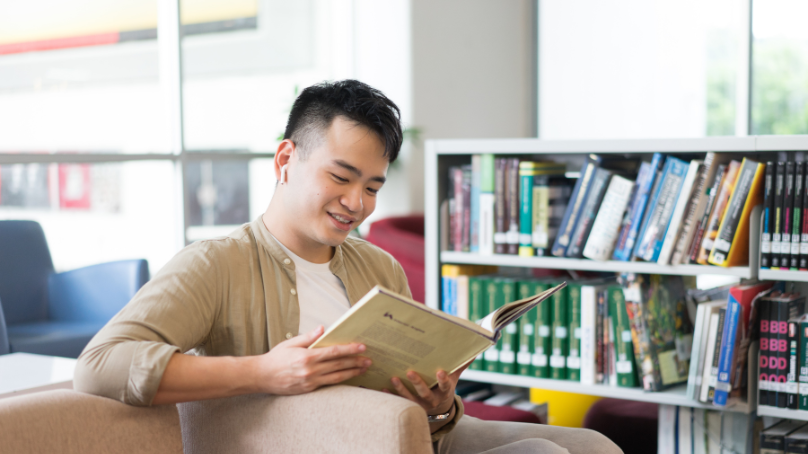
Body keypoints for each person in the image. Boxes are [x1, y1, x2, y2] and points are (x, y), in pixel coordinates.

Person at [75, 79, 621, 454]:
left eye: (373, 187)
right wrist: (265, 371)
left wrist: (436, 402)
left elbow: (418, 411)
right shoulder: (216, 263)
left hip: (402, 434)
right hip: (317, 441)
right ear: (286, 160)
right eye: (340, 177)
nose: (357, 203)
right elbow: (98, 365)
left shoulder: (378, 266)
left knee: (592, 445)